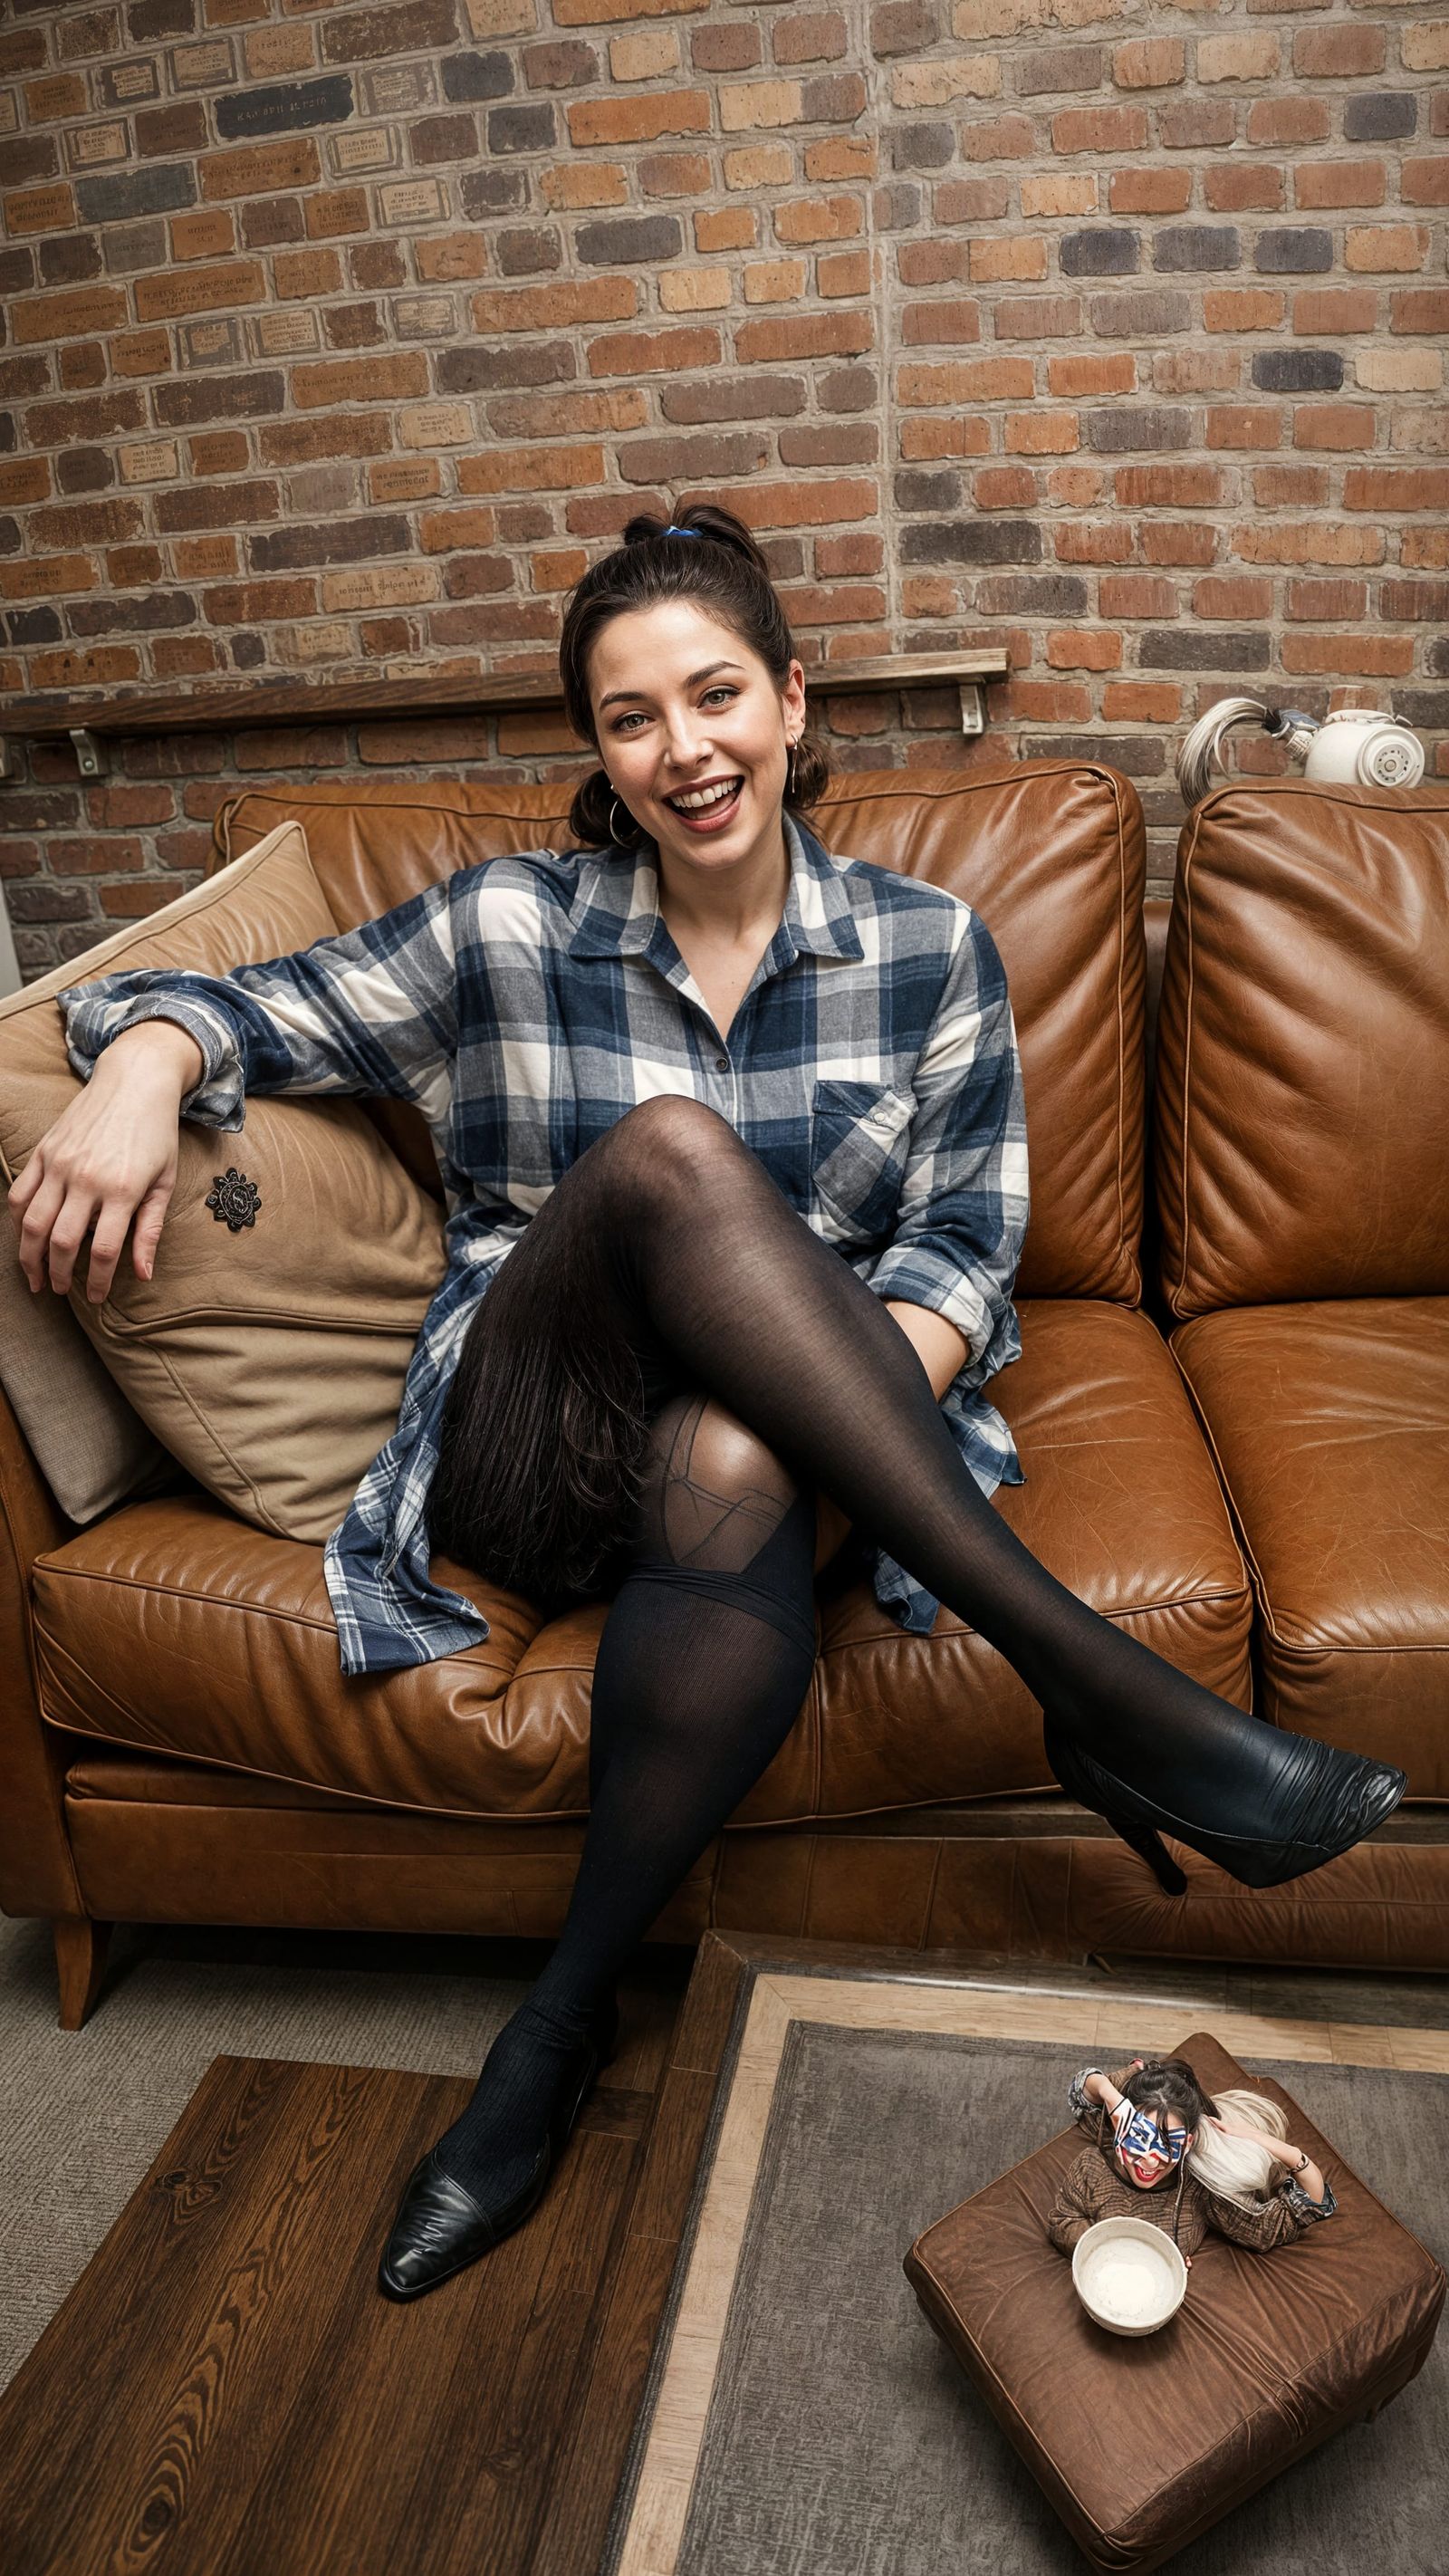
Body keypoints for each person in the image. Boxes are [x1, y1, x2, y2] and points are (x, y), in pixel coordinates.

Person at [8, 503, 1402, 2307]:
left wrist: (812, 1406)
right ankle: (1095, 1686)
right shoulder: (513, 922)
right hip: (535, 1438)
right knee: (667, 1155)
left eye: (716, 693)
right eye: (631, 716)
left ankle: (553, 2031)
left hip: (774, 1476)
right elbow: (249, 1007)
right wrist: (141, 1062)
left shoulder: (928, 951)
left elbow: (962, 1272)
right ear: (597, 749)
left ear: (791, 697)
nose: (685, 749)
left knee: (738, 1440)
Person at [1048, 2055, 1337, 2265]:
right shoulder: (1091, 2164)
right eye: (1140, 2139)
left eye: (1167, 2145)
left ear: (1187, 2143)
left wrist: (1273, 2146)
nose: (1149, 2162)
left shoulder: (1202, 2190)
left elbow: (1286, 2220)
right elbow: (1082, 2087)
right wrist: (1109, 2092)